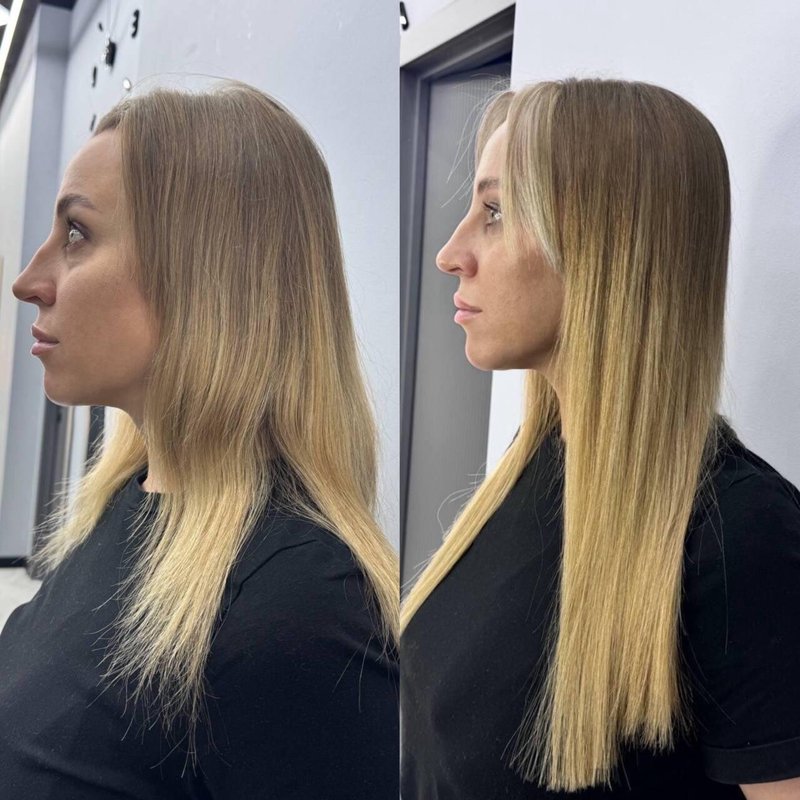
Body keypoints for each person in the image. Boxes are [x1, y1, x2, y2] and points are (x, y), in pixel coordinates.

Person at [400, 77, 800, 799]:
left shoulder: (738, 536)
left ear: (605, 244)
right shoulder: (534, 470)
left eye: (496, 212)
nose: (451, 253)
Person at [4, 78, 399, 799]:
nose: (29, 281)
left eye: (77, 234)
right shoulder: (126, 503)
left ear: (203, 273)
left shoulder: (297, 603)